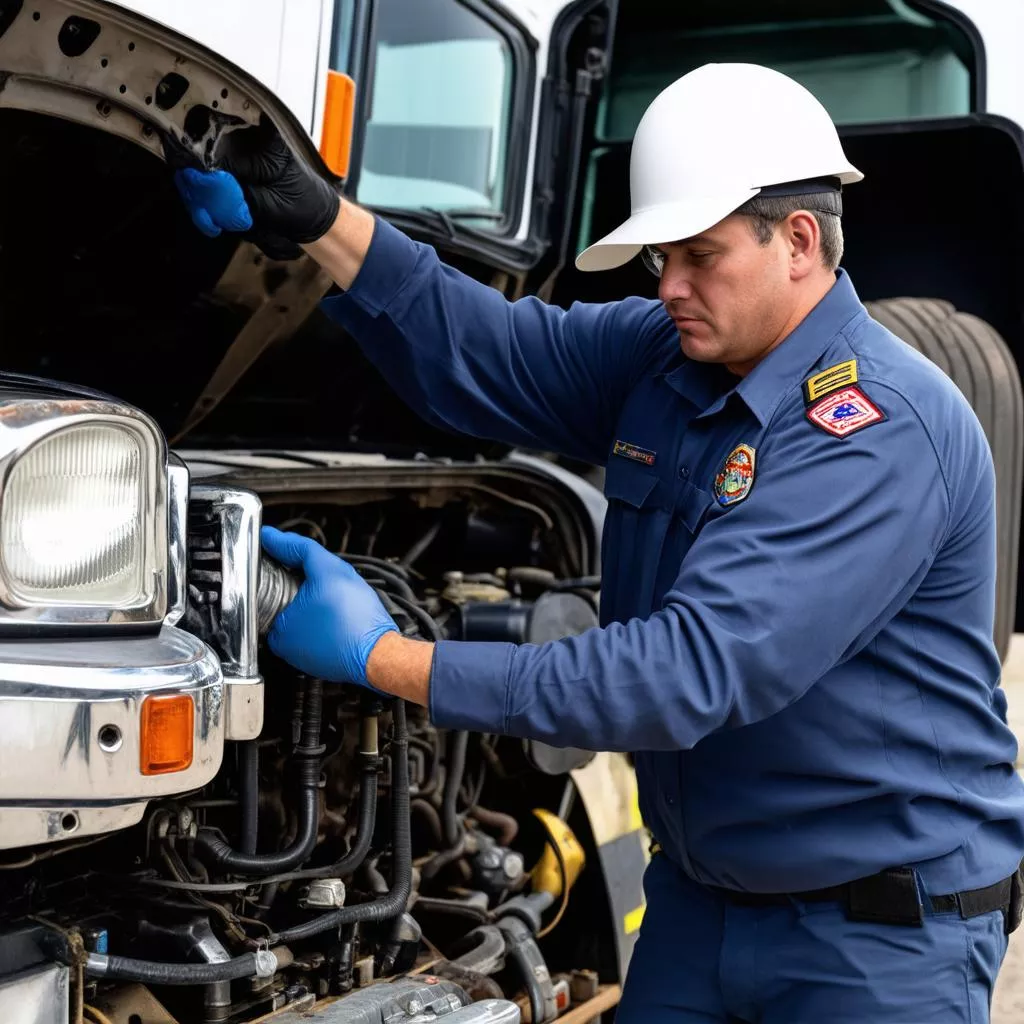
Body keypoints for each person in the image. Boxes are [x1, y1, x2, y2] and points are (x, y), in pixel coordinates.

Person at [176, 63, 1024, 1022]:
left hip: (876, 942)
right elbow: (488, 350)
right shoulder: (668, 356)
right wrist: (322, 220)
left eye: (698, 255)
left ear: (796, 242)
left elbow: (682, 674)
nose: (668, 285)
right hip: (702, 909)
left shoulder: (875, 428)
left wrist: (388, 658)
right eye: (661, 256)